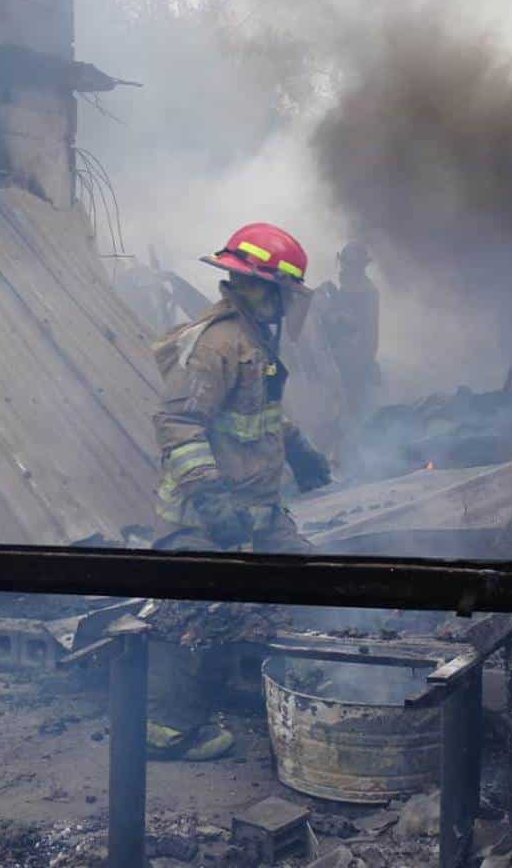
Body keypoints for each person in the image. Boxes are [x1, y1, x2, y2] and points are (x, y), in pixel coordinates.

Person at [147, 222, 332, 761]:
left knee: (318, 583)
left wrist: (299, 450)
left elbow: (257, 415)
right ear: (259, 287)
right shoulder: (218, 344)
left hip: (257, 512)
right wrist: (211, 501)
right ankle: (168, 732)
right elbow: (178, 424)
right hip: (202, 518)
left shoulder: (253, 342)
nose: (286, 305)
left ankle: (316, 684)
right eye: (283, 292)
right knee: (193, 618)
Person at [318, 241, 381, 420]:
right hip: (342, 357)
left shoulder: (366, 292)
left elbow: (362, 332)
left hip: (352, 363)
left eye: (347, 265)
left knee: (349, 411)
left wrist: (333, 315)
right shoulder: (349, 287)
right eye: (343, 264)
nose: (342, 269)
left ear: (358, 267)